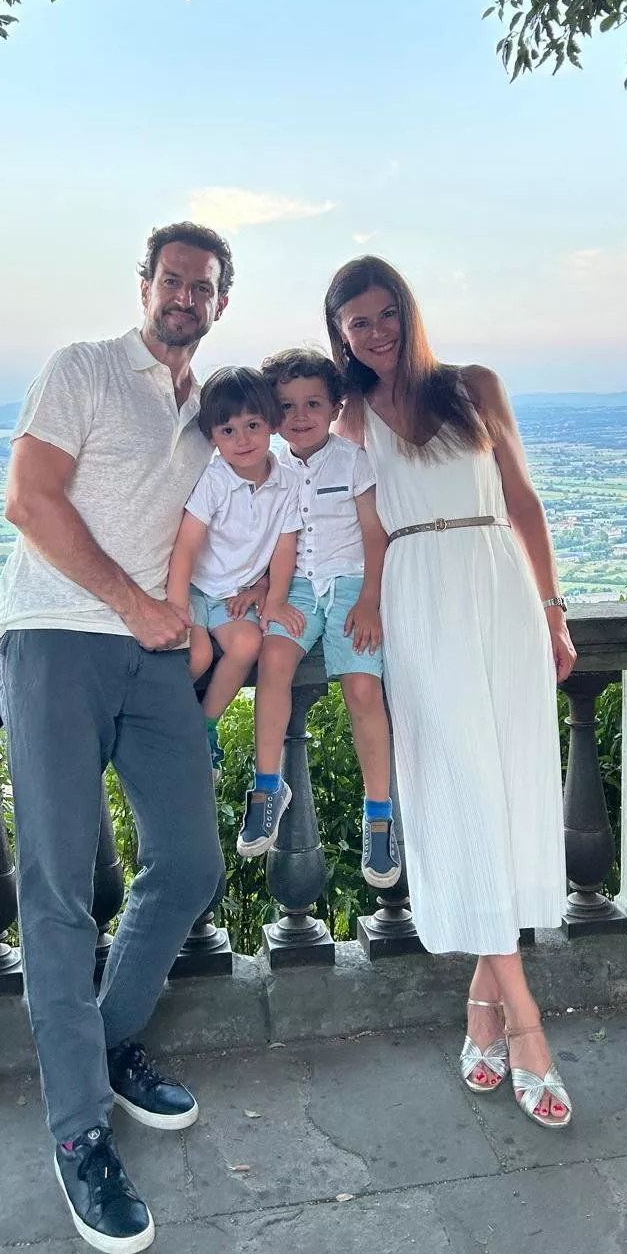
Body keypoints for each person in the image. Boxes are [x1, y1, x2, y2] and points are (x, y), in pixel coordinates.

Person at [0, 221, 233, 1254]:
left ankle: (108, 1039)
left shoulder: (213, 411)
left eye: (203, 285)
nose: (184, 296)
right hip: (56, 635)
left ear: (220, 303)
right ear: (146, 287)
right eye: (171, 279)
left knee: (188, 863)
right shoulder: (84, 369)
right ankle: (80, 1129)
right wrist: (132, 603)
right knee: (56, 888)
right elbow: (28, 499)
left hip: (157, 652)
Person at [324, 255, 578, 1129]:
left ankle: (481, 1011)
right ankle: (529, 1028)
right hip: (419, 595)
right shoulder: (350, 413)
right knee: (462, 791)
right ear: (340, 334)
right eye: (356, 321)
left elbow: (525, 504)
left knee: (501, 794)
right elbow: (349, 512)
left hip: (499, 590)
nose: (374, 330)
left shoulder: (474, 387)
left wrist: (552, 611)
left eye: (385, 311)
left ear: (408, 311)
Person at [254, 347, 400, 889]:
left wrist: (370, 600)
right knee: (273, 664)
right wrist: (258, 587)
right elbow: (265, 536)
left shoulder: (352, 459)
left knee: (363, 689)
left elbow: (373, 533)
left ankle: (379, 814)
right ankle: (268, 784)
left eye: (312, 403)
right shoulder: (268, 466)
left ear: (335, 405)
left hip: (349, 585)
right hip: (292, 587)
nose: (299, 415)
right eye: (286, 405)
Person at [165, 366, 303, 843]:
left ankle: (204, 728)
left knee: (247, 644)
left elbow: (285, 547)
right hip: (195, 589)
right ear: (213, 437)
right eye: (228, 430)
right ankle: (174, 731)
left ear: (271, 425)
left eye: (253, 426)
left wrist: (271, 595)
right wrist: (178, 610)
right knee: (197, 656)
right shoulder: (216, 480)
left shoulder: (287, 481)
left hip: (235, 594)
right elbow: (186, 547)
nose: (242, 439)